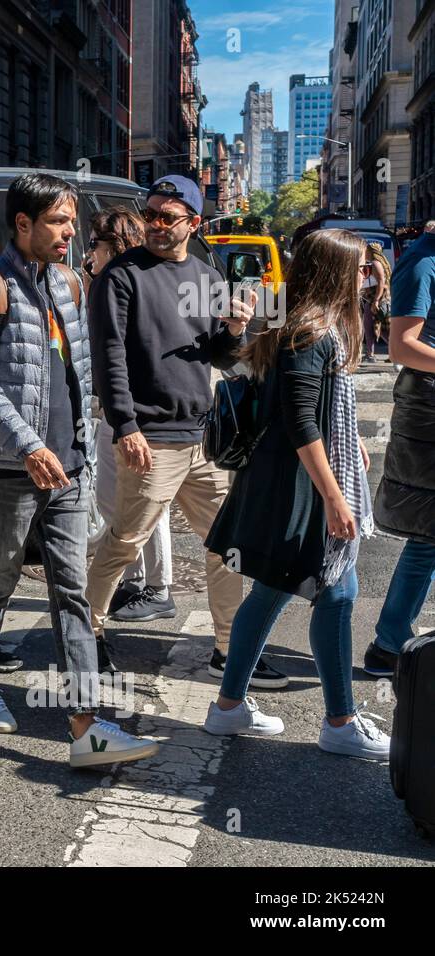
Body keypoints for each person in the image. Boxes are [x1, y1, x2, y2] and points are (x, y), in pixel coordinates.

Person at [0, 172, 158, 767]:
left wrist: (86, 453)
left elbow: (83, 373)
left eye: (72, 222)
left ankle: (86, 724)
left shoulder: (68, 282)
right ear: (23, 224)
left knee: (71, 589)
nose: (72, 231)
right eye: (60, 222)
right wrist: (27, 448)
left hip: (66, 467)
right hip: (10, 468)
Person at [203, 229, 388, 761]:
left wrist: (350, 439)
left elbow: (317, 406)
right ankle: (339, 722)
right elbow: (300, 420)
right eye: (357, 269)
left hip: (290, 482)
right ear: (335, 271)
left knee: (281, 592)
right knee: (333, 593)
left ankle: (231, 707)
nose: (364, 278)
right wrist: (334, 497)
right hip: (298, 490)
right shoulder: (311, 331)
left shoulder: (308, 324)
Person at [85, 175, 269, 684]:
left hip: (203, 438)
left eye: (168, 216)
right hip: (150, 435)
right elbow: (109, 356)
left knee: (226, 544)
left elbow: (221, 355)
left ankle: (229, 648)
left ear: (194, 222)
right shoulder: (121, 277)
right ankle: (88, 634)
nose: (157, 225)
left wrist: (234, 329)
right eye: (152, 214)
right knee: (125, 540)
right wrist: (125, 425)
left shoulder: (208, 278)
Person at [84, 207, 176, 624]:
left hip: (133, 417)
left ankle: (157, 587)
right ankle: (136, 581)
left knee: (141, 506)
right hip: (123, 414)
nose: (88, 254)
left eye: (93, 245)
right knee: (126, 504)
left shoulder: (123, 282)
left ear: (114, 245)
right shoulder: (116, 280)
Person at [366, 222, 435, 677]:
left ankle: (390, 641)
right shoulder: (426, 261)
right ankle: (389, 641)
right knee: (428, 536)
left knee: (430, 538)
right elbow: (401, 346)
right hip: (429, 412)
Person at [360, 242, 390, 362]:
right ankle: (392, 353)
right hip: (376, 299)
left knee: (371, 327)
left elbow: (381, 282)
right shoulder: (379, 263)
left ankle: (370, 354)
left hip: (376, 300)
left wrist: (376, 301)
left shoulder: (375, 263)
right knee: (380, 328)